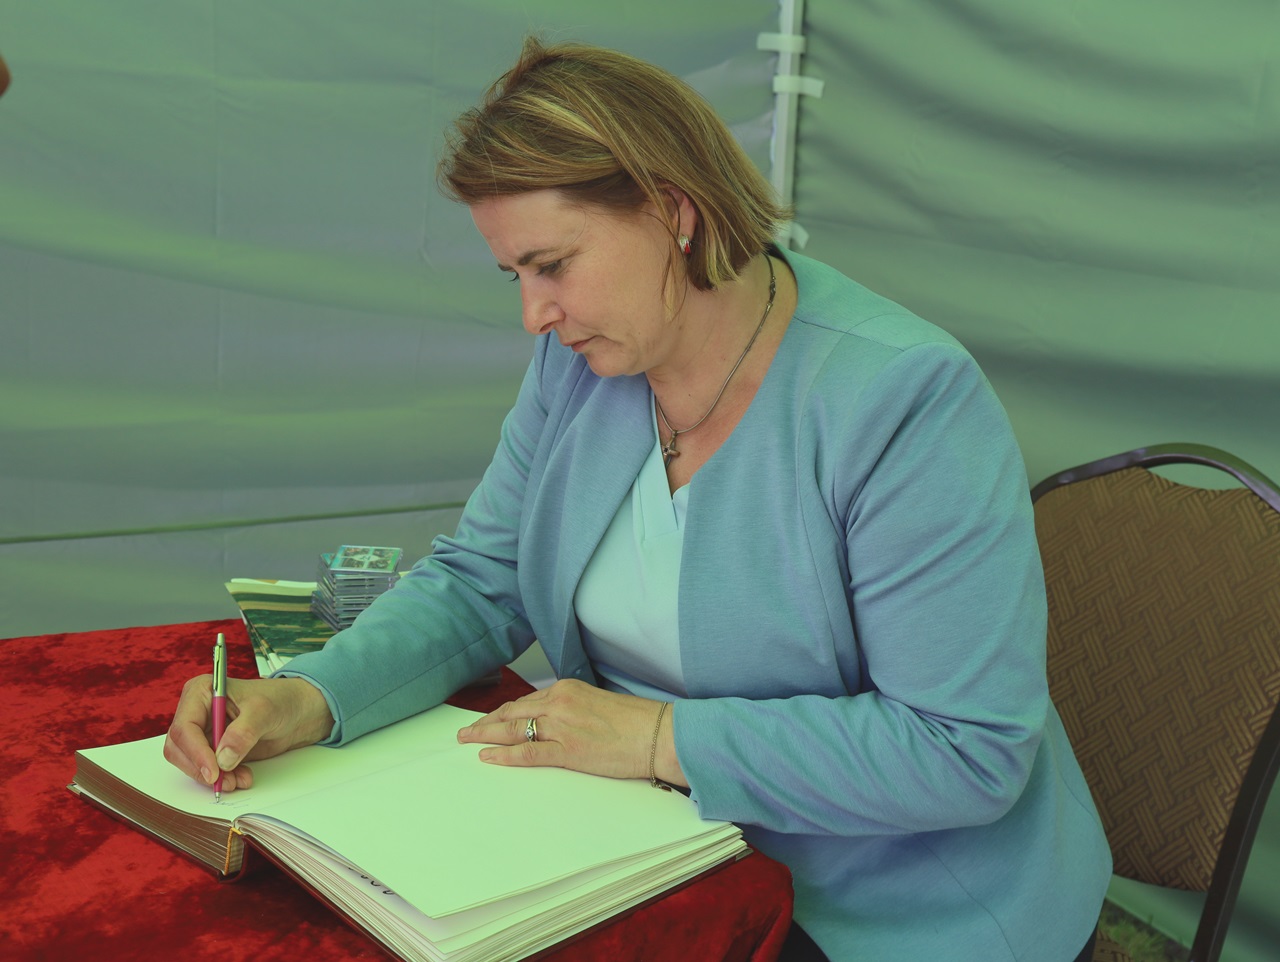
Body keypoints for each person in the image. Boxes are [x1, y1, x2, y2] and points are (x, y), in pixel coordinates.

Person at [165, 38, 1112, 962]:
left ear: (673, 211)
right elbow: (484, 578)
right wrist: (310, 696)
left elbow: (962, 751)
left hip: (884, 909)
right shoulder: (582, 366)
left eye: (552, 265)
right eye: (515, 275)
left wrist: (660, 739)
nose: (533, 315)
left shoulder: (903, 400)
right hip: (651, 844)